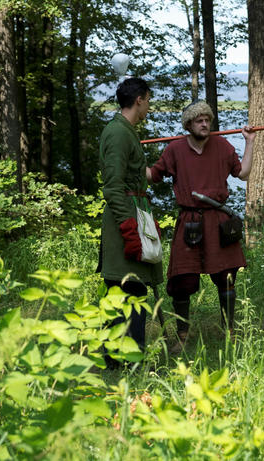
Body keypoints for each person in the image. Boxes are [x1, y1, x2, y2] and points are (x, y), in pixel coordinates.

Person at [146, 101, 255, 348]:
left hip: (219, 221)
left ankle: (231, 333)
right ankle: (182, 337)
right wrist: (127, 159)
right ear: (189, 125)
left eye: (207, 119)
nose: (205, 123)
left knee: (226, 278)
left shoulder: (223, 146)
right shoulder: (175, 149)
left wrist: (249, 141)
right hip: (190, 221)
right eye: (199, 120)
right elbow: (152, 176)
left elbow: (244, 173)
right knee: (182, 281)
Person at [98, 77, 163, 366]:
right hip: (122, 221)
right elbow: (113, 185)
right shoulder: (118, 133)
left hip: (132, 213)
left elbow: (135, 176)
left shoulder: (126, 131)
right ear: (139, 99)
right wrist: (129, 227)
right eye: (148, 100)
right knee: (125, 288)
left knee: (130, 288)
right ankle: (120, 359)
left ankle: (124, 357)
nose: (149, 106)